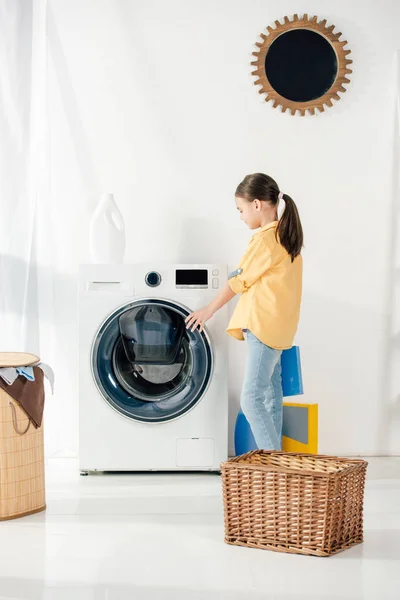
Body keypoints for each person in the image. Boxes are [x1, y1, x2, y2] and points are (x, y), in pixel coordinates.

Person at [185, 173, 303, 450]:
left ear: (258, 205)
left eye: (241, 209)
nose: (240, 216)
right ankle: (278, 464)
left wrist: (208, 310)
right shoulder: (287, 238)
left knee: (251, 399)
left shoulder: (266, 240)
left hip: (262, 327)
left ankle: (275, 467)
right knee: (272, 398)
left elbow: (239, 280)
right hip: (279, 330)